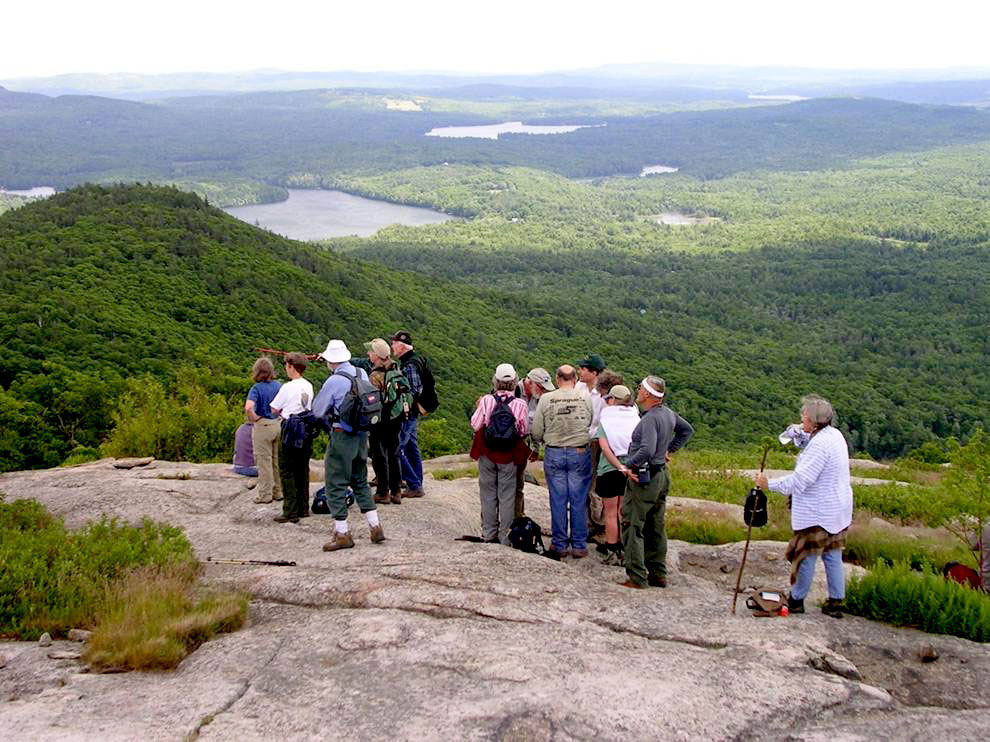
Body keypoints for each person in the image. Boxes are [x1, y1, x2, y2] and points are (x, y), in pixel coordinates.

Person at [756, 395, 853, 618]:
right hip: (838, 509)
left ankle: (797, 600)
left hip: (818, 511)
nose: (802, 418)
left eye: (804, 416)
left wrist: (769, 483)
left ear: (814, 421)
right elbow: (810, 444)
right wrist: (797, 433)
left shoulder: (819, 445)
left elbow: (801, 481)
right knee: (832, 554)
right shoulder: (833, 435)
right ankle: (836, 602)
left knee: (805, 555)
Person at [619, 376, 693, 589]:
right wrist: (669, 449)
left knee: (633, 525)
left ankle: (637, 577)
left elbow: (647, 450)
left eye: (640, 388)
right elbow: (686, 430)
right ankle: (658, 574)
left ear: (649, 394)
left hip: (645, 477)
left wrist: (627, 466)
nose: (638, 390)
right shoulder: (668, 414)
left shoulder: (650, 419)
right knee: (656, 526)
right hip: (661, 474)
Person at [313, 339, 385, 551]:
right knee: (360, 480)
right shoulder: (361, 373)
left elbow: (318, 410)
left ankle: (342, 533)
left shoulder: (334, 381)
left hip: (341, 434)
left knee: (335, 482)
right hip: (362, 435)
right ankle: (375, 527)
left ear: (331, 361)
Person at [530, 365, 594, 558]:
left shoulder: (546, 399)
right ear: (575, 379)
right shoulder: (585, 398)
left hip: (554, 451)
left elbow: (537, 430)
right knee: (579, 499)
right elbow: (589, 421)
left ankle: (559, 544)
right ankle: (579, 545)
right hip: (580, 451)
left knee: (557, 499)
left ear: (558, 379)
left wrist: (542, 441)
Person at [470, 364, 530, 544]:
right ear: (514, 382)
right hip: (509, 455)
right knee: (507, 496)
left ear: (495, 381)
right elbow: (523, 430)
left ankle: (489, 533)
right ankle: (505, 536)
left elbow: (475, 424)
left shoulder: (487, 400)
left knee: (488, 493)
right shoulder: (520, 404)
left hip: (487, 453)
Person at [594, 385, 639, 565]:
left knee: (610, 513)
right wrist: (627, 467)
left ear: (613, 400)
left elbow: (604, 448)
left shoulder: (606, 420)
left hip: (609, 470)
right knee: (624, 512)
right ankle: (625, 550)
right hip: (631, 470)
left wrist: (618, 466)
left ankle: (611, 548)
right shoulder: (635, 419)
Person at [269, 352, 314, 524]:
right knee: (302, 468)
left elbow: (274, 408)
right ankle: (303, 507)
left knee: (287, 470)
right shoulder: (308, 385)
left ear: (290, 366)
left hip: (290, 427)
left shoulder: (287, 387)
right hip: (306, 428)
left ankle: (290, 510)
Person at [365, 338, 405, 505]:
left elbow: (372, 400)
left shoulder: (375, 375)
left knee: (379, 454)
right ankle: (396, 491)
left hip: (381, 419)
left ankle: (383, 492)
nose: (368, 354)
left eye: (370, 351)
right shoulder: (396, 368)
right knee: (394, 453)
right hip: (396, 417)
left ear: (377, 355)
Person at [514, 367, 555, 517]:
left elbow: (536, 423)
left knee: (519, 484)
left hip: (524, 443)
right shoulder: (514, 391)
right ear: (530, 382)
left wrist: (535, 447)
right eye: (541, 387)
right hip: (511, 443)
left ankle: (518, 516)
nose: (543, 391)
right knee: (509, 484)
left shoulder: (538, 398)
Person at [391, 330, 427, 498]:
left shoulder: (409, 364)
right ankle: (417, 481)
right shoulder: (415, 358)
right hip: (414, 411)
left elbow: (414, 389)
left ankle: (414, 485)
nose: (392, 345)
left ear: (402, 346)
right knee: (412, 446)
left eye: (394, 343)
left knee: (396, 448)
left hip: (409, 412)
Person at [244, 357, 282, 503]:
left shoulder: (256, 388)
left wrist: (254, 418)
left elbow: (248, 407)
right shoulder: (278, 385)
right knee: (276, 460)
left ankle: (265, 495)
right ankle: (278, 492)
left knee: (263, 461)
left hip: (263, 425)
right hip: (277, 423)